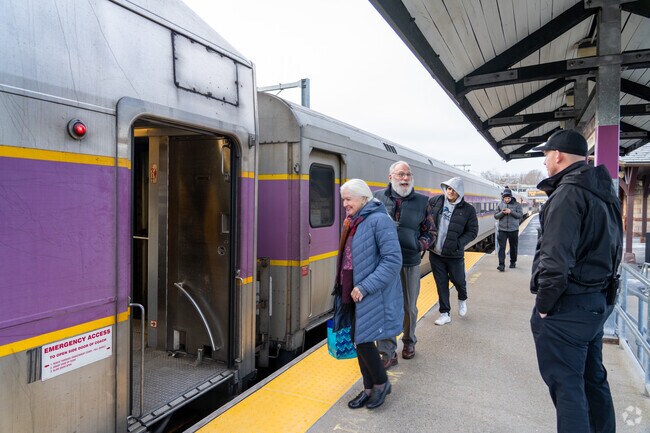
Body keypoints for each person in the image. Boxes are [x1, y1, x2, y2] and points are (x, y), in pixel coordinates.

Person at [529, 129, 622, 432]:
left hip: (567, 308)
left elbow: (555, 261)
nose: (545, 161)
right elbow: (615, 248)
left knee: (568, 389)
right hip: (595, 304)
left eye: (546, 155)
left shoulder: (568, 194)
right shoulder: (604, 190)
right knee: (592, 379)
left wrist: (543, 307)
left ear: (557, 155)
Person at [334, 179, 404, 410]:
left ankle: (382, 384)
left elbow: (393, 260)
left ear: (363, 198)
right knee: (359, 339)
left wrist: (365, 286)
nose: (344, 204)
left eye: (348, 199)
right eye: (343, 199)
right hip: (352, 292)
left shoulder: (379, 221)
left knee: (363, 341)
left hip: (369, 293)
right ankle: (368, 388)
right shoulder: (355, 221)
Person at [374, 161, 436, 368]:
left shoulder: (422, 202)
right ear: (390, 177)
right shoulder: (377, 199)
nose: (405, 178)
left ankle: (409, 342)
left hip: (409, 261)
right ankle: (387, 352)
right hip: (383, 263)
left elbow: (431, 231)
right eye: (400, 174)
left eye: (408, 174)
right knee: (385, 306)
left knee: (408, 307)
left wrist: (419, 245)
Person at [427, 177, 478, 325]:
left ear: (459, 192)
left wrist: (459, 243)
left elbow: (473, 231)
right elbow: (425, 219)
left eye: (454, 190)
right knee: (441, 283)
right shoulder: (435, 202)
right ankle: (445, 313)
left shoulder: (468, 210)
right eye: (449, 188)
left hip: (454, 254)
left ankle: (462, 298)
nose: (450, 191)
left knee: (459, 281)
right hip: (435, 253)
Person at [494, 186, 523, 271]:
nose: (506, 200)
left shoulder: (517, 205)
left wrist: (511, 212)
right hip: (502, 229)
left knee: (513, 247)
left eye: (508, 198)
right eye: (505, 198)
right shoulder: (500, 204)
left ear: (511, 197)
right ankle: (501, 265)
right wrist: (502, 213)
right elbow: (496, 216)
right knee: (501, 247)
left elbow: (520, 215)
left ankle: (513, 262)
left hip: (513, 230)